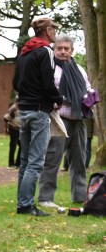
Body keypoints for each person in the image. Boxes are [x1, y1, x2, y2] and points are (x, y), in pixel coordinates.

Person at [13, 18, 63, 217]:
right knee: (35, 161)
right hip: (40, 110)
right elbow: (48, 83)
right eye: (54, 30)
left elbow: (16, 82)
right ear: (48, 31)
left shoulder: (24, 52)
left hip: (24, 110)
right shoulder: (46, 51)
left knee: (25, 160)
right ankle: (26, 205)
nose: (55, 34)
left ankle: (22, 203)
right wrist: (58, 99)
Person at [38, 34, 92, 209]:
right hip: (58, 120)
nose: (62, 52)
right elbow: (46, 91)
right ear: (54, 50)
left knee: (79, 161)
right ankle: (46, 198)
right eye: (59, 48)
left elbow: (87, 88)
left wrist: (91, 97)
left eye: (66, 49)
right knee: (53, 159)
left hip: (78, 119)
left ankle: (80, 197)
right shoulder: (51, 69)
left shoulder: (80, 70)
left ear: (72, 51)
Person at [3, 100, 21, 168]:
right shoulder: (13, 109)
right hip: (13, 128)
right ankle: (11, 164)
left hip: (21, 129)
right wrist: (6, 130)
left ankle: (18, 163)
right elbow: (5, 119)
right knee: (13, 146)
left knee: (22, 146)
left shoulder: (23, 108)